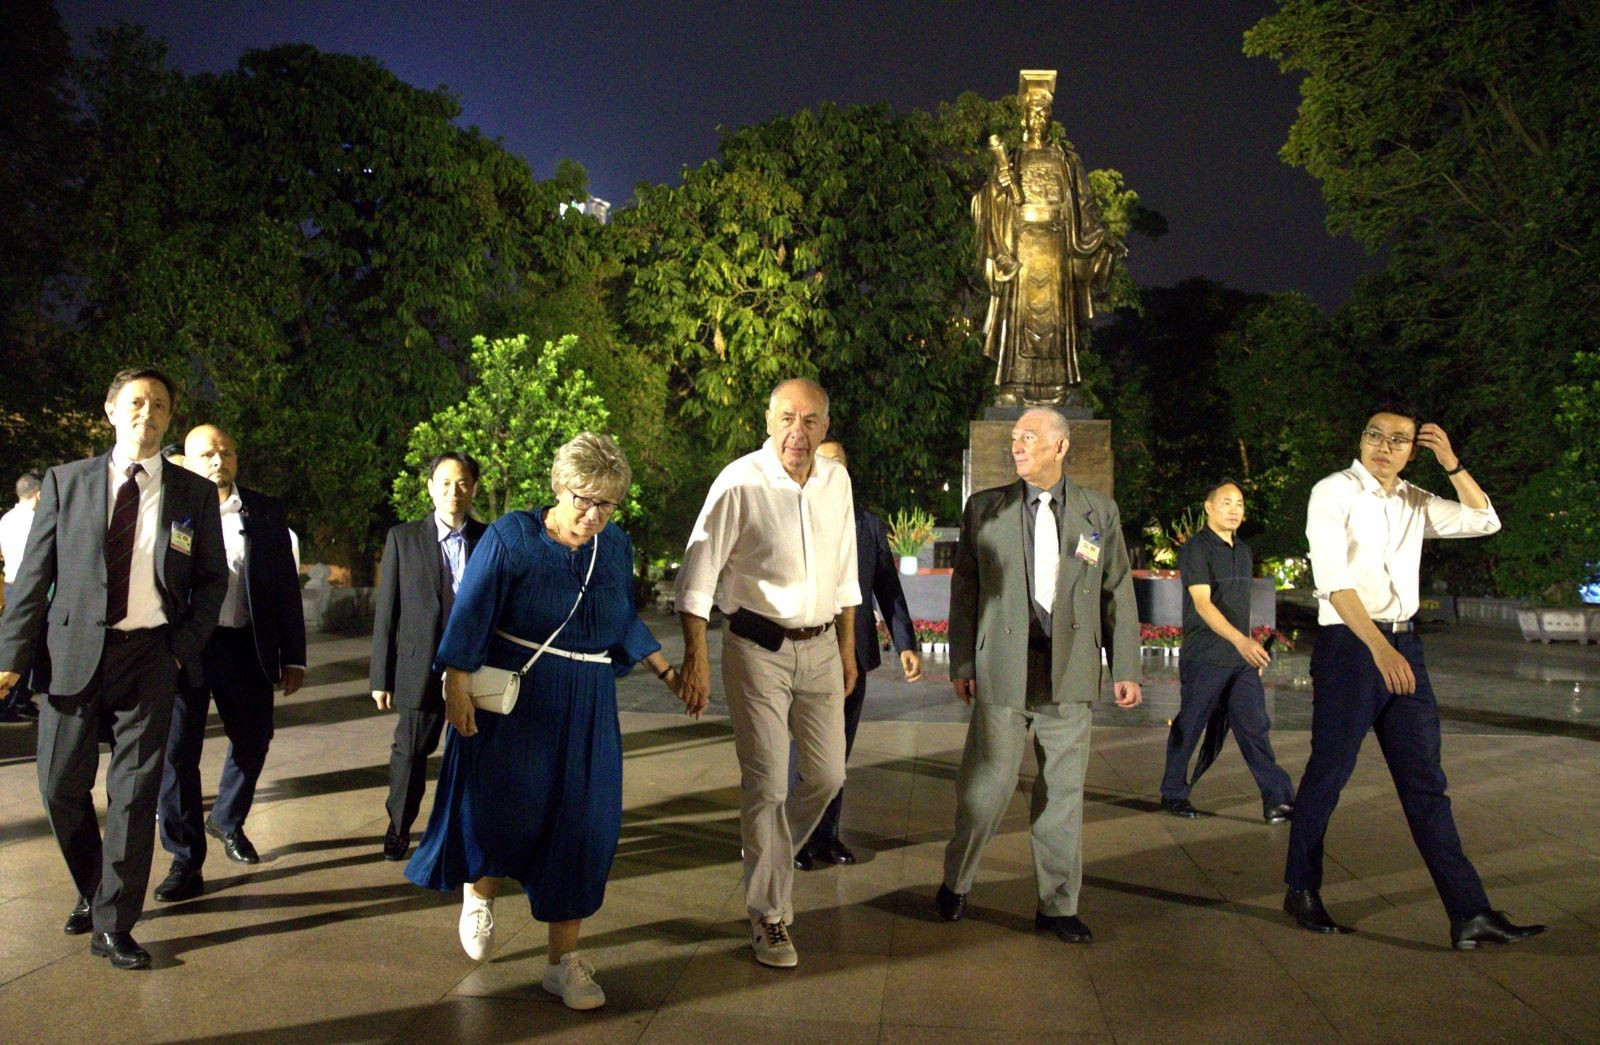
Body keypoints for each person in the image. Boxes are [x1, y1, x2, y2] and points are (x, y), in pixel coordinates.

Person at [405, 433, 690, 1011]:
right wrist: (455, 680)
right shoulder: (513, 536)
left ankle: (562, 963)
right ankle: (479, 894)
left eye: (607, 504)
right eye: (584, 498)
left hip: (586, 703)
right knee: (502, 812)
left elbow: (619, 618)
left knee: (584, 827)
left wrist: (668, 673)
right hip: (515, 699)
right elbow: (472, 607)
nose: (593, 515)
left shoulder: (613, 547)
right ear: (559, 487)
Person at [1284, 403, 1545, 950]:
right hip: (1352, 647)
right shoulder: (1334, 492)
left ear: (1412, 451)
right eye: (1374, 435)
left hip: (1403, 644)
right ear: (1361, 440)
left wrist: (1452, 463)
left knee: (1427, 785)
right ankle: (1301, 889)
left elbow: (1484, 520)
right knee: (1328, 775)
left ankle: (1470, 913)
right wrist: (1379, 649)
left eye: (1398, 439)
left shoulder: (1414, 500)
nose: (1384, 446)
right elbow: (1332, 582)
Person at [0, 366, 227, 970]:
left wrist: (181, 646)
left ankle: (113, 923)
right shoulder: (66, 482)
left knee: (132, 796)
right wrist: (9, 659)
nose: (146, 412)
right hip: (73, 654)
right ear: (110, 411)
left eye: (158, 405)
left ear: (169, 418)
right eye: (135, 401)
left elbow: (212, 580)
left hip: (151, 656)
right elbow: (32, 580)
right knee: (59, 788)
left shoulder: (193, 495)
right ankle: (94, 885)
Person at [675, 378, 860, 969]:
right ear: (768, 419)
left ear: (825, 428)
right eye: (787, 419)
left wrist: (850, 647)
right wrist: (697, 657)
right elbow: (697, 574)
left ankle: (770, 857)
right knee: (767, 783)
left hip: (824, 646)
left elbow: (847, 570)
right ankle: (768, 913)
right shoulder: (740, 481)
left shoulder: (836, 482)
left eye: (809, 421)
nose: (797, 433)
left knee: (828, 776)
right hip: (757, 648)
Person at [938, 407, 1141, 944]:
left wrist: (1125, 666)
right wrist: (962, 662)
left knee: (1062, 795)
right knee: (984, 790)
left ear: (1061, 446)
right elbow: (964, 591)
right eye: (1013, 438)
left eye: (1029, 437)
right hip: (1002, 670)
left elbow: (1117, 588)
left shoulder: (1099, 512)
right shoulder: (985, 508)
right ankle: (956, 882)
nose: (1018, 445)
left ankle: (1058, 906)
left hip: (1069, 673)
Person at [153, 425, 306, 902]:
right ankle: (184, 858)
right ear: (187, 461)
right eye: (206, 454)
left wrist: (294, 655)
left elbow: (284, 586)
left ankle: (227, 820)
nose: (218, 460)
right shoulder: (170, 508)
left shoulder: (264, 510)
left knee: (254, 738)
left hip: (245, 645)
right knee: (178, 753)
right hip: (186, 648)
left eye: (227, 452)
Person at [794, 439, 922, 870]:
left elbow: (887, 587)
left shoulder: (867, 525)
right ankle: (797, 839)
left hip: (856, 654)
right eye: (823, 464)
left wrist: (905, 643)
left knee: (838, 752)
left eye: (838, 466)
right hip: (804, 652)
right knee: (805, 751)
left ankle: (827, 837)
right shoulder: (794, 518)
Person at [972, 70, 1124, 406]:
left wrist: (1100, 237)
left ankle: (1061, 388)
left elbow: (1085, 205)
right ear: (1024, 118)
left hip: (1057, 247)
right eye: (1033, 112)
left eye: (1044, 113)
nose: (1039, 118)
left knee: (1057, 320)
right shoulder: (1012, 159)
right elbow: (985, 202)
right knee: (1020, 319)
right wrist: (998, 187)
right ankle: (1014, 385)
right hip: (1022, 248)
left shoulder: (1066, 160)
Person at [370, 453, 487, 861]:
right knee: (410, 753)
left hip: (476, 668)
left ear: (473, 488)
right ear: (430, 486)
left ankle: (468, 831)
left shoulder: (489, 539)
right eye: (445, 482)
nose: (454, 491)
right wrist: (380, 677)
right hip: (420, 666)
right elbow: (388, 612)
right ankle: (398, 827)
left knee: (474, 753)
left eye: (463, 483)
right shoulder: (403, 538)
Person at [1158, 480, 1295, 822]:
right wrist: (1241, 641)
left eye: (1239, 504)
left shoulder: (1244, 551)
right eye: (1226, 502)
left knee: (1255, 726)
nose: (1235, 510)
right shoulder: (1196, 549)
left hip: (1240, 659)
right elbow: (1202, 604)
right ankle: (1173, 794)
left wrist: (1249, 649)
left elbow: (1240, 608)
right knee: (1190, 726)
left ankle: (1278, 800)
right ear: (1209, 507)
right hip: (1206, 655)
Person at [0, 471, 44, 721]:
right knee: (28, 647)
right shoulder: (36, 522)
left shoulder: (7, 518)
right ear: (39, 494)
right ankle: (12, 701)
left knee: (14, 642)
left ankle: (19, 700)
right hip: (30, 589)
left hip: (10, 585)